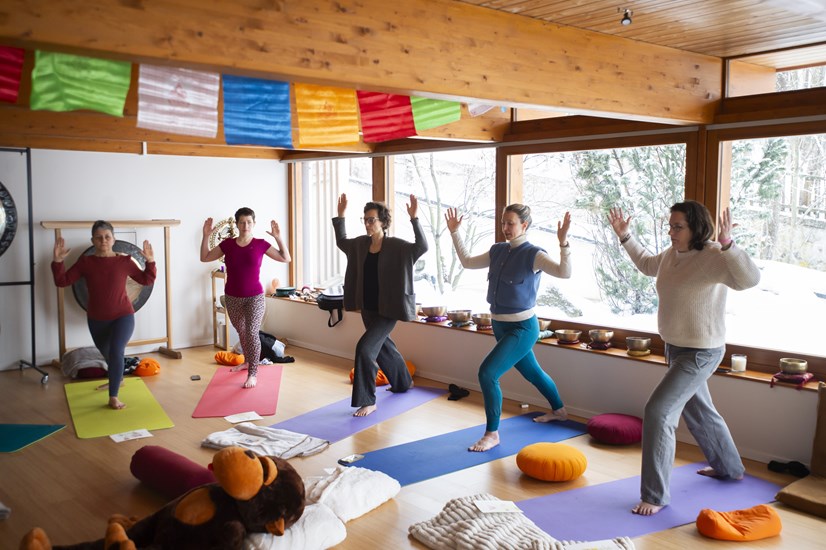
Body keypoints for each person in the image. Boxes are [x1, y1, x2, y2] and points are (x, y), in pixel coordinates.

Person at [607, 201, 760, 516]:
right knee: (700, 410)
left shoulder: (714, 255)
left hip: (702, 352)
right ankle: (730, 468)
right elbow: (646, 264)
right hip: (675, 348)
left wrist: (729, 243)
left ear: (696, 228)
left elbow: (749, 280)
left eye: (678, 227)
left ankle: (655, 495)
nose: (671, 232)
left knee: (658, 412)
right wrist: (625, 236)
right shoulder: (671, 255)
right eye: (670, 226)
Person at [445, 204, 572, 452]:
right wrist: (454, 232)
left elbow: (564, 272)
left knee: (487, 373)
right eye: (503, 222)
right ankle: (560, 411)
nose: (505, 228)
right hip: (500, 325)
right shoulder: (498, 250)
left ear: (524, 225)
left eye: (510, 223)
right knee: (533, 373)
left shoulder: (534, 254)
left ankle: (492, 434)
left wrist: (563, 242)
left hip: (522, 328)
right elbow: (467, 262)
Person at [333, 193, 428, 417]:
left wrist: (414, 218)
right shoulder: (360, 244)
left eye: (371, 220)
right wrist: (341, 216)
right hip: (368, 308)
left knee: (365, 349)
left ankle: (368, 400)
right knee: (384, 347)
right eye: (365, 219)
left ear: (383, 222)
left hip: (389, 309)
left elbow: (421, 246)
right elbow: (341, 241)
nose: (367, 224)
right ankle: (403, 381)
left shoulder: (396, 246)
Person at [51, 220, 156, 410]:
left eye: (107, 237)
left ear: (114, 239)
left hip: (123, 316)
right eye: (98, 237)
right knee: (108, 354)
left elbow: (146, 280)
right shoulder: (86, 262)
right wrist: (58, 262)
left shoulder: (124, 261)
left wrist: (150, 261)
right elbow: (62, 281)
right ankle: (118, 380)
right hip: (96, 319)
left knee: (116, 351)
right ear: (93, 240)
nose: (103, 241)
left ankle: (113, 396)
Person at [201, 208, 291, 388]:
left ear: (254, 224)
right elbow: (205, 257)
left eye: (249, 222)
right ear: (237, 224)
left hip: (255, 297)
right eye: (242, 222)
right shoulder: (227, 244)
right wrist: (206, 236)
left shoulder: (260, 244)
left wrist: (278, 237)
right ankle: (248, 361)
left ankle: (253, 373)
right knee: (242, 332)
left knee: (251, 332)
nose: (245, 225)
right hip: (232, 297)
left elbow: (285, 258)